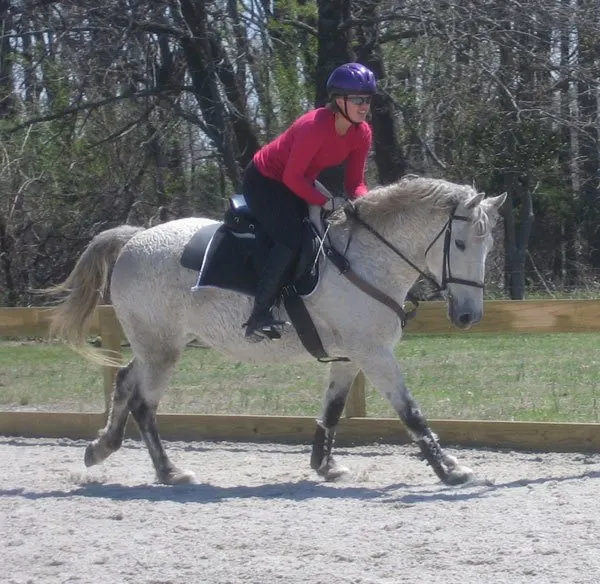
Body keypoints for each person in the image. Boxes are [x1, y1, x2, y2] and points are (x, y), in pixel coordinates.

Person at [242, 62, 377, 341]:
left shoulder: (362, 133)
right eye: (358, 100)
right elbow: (292, 178)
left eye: (368, 99)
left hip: (299, 180)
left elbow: (355, 184)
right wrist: (325, 202)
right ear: (339, 101)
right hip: (266, 181)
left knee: (324, 236)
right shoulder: (314, 127)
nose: (365, 106)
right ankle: (259, 315)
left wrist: (365, 206)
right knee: (293, 238)